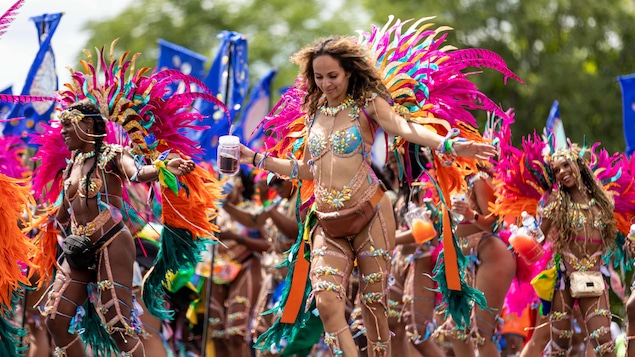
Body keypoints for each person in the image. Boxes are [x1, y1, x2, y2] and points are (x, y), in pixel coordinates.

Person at [238, 35, 497, 356]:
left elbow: (405, 128)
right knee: (326, 301)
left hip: (370, 215)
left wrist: (450, 144)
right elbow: (308, 170)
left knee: (373, 307)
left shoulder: (368, 105)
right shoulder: (313, 114)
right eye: (319, 77)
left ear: (348, 72)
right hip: (327, 223)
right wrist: (254, 158)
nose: (326, 83)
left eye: (332, 75)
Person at [39, 100, 196, 357]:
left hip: (112, 244)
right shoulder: (72, 164)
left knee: (118, 327)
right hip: (78, 249)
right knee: (55, 319)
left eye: (69, 125)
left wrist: (163, 168)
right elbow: (61, 216)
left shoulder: (113, 155)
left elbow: (137, 173)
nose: (63, 132)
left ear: (88, 124)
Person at [536, 146, 617, 356]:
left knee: (604, 342)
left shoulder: (602, 203)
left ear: (579, 166)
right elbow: (537, 239)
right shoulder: (556, 204)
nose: (562, 172)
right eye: (556, 170)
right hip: (564, 280)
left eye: (565, 165)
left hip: (593, 279)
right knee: (560, 346)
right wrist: (526, 230)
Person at [440, 167, 517, 357]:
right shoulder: (451, 181)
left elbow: (495, 223)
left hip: (490, 255)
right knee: (456, 330)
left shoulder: (478, 179)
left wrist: (469, 214)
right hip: (466, 260)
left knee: (480, 332)